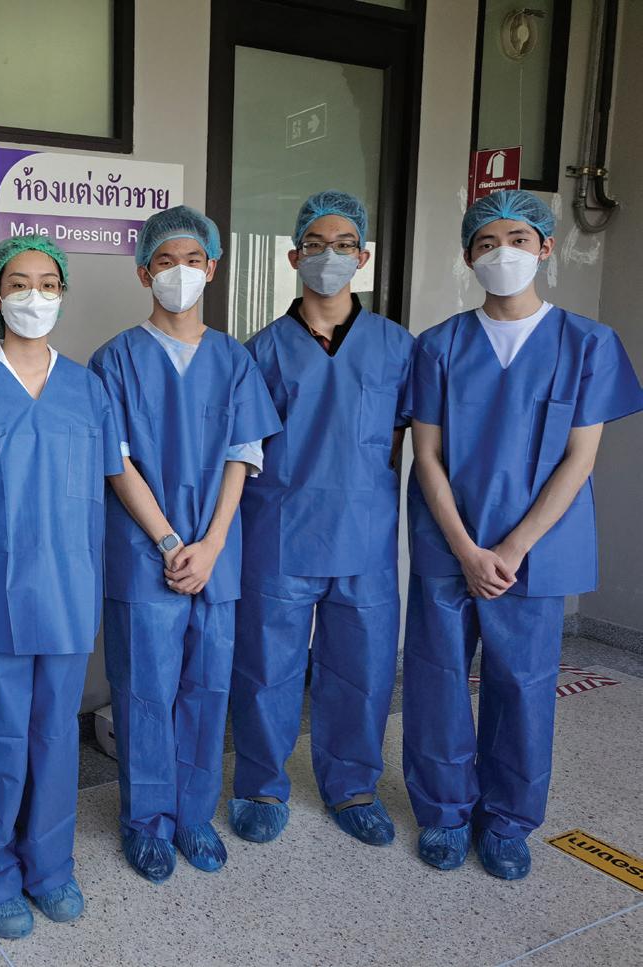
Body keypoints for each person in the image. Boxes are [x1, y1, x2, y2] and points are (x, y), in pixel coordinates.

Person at [404, 189, 643, 879]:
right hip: (449, 542)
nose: (501, 252)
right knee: (436, 680)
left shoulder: (587, 343)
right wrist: (465, 547)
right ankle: (445, 812)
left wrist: (510, 548)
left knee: (524, 685)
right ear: (467, 256)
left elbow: (579, 459)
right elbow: (426, 456)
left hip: (534, 550)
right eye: (485, 242)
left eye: (516, 239)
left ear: (544, 247)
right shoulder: (440, 346)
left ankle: (507, 821)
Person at [0, 237, 123, 939]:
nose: (33, 295)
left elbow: (105, 478)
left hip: (68, 587)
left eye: (47, 283)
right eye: (18, 283)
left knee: (54, 737)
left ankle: (50, 867)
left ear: (62, 295)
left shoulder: (88, 389)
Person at [90, 206, 281, 883]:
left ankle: (194, 816)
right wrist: (172, 541)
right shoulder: (115, 359)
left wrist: (212, 542)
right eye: (165, 261)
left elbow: (242, 455)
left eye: (192, 260)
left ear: (212, 268)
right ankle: (146, 821)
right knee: (144, 689)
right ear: (144, 272)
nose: (180, 272)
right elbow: (115, 462)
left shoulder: (233, 359)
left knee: (206, 686)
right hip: (147, 553)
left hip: (214, 553)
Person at [227, 191, 414, 847]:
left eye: (343, 245)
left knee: (361, 667)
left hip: (364, 534)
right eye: (315, 244)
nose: (328, 255)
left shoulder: (396, 346)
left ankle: (353, 786)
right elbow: (243, 449)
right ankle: (259, 783)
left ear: (362, 257)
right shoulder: (260, 351)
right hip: (280, 529)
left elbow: (400, 439)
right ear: (292, 257)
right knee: (266, 665)